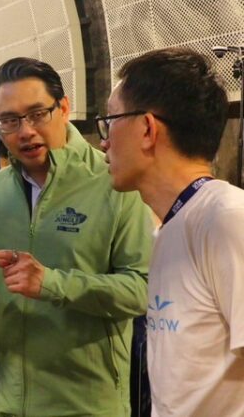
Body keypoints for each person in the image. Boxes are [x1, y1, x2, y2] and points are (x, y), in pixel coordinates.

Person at [0, 57, 153, 417]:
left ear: (64, 108)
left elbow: (141, 290)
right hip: (12, 400)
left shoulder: (114, 181)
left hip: (88, 403)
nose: (25, 131)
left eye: (37, 114)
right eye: (9, 120)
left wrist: (52, 283)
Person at [98, 47, 244, 417]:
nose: (103, 142)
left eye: (109, 121)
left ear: (147, 129)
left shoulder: (226, 218)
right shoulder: (173, 225)